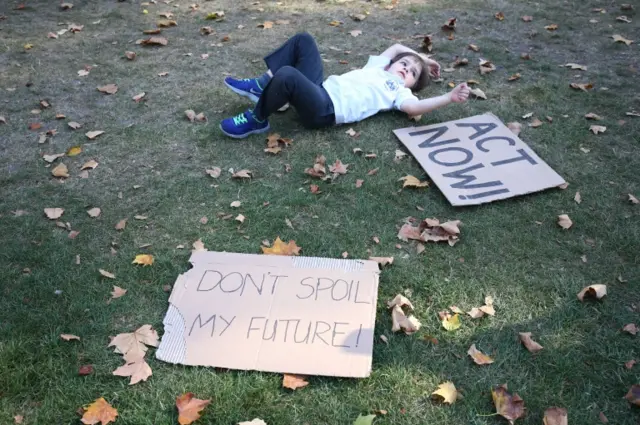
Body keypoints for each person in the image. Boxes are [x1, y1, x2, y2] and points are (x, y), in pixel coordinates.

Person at [220, 32, 470, 138]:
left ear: (413, 85)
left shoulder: (400, 92)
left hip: (325, 111)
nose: (407, 68)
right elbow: (395, 47)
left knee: (287, 74)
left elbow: (415, 109)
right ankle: (261, 85)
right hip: (318, 89)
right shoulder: (377, 67)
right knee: (303, 40)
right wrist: (424, 59)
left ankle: (257, 118)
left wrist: (449, 97)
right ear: (390, 64)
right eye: (404, 63)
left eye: (413, 73)